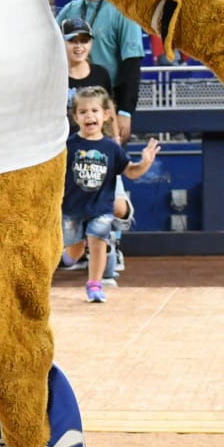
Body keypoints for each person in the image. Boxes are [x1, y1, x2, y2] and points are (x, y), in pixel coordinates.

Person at [61, 87, 159, 304]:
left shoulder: (111, 148)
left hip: (101, 208)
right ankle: (68, 257)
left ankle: (94, 285)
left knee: (98, 241)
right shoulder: (68, 146)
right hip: (72, 208)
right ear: (75, 117)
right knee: (74, 253)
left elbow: (130, 172)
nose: (89, 116)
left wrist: (144, 164)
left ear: (105, 115)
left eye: (94, 110)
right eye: (83, 112)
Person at [56, 0, 144, 143]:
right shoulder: (70, 9)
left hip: (107, 100)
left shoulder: (123, 11)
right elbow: (50, 48)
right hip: (71, 103)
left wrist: (125, 111)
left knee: (108, 158)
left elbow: (132, 64)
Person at [61, 18, 113, 95]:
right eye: (72, 41)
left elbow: (107, 105)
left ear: (91, 44)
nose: (79, 46)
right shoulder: (55, 76)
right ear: (62, 43)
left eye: (84, 41)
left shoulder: (101, 74)